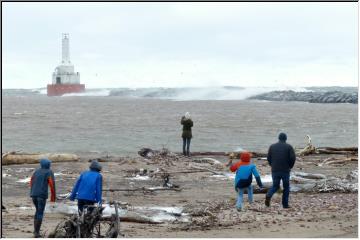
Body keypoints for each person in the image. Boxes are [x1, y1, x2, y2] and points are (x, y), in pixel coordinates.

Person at [265, 132, 296, 208]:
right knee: (286, 187)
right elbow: (293, 158)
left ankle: (269, 195)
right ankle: (285, 204)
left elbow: (268, 158)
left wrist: (272, 165)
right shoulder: (289, 147)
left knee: (275, 186)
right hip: (285, 170)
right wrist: (290, 166)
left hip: (275, 170)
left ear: (278, 138)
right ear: (285, 139)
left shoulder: (272, 147)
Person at [30, 158, 56, 238]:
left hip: (33, 194)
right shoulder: (49, 172)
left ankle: (35, 230)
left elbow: (31, 181)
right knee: (40, 212)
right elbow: (51, 184)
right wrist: (53, 197)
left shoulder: (36, 171)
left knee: (37, 211)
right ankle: (36, 233)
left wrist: (32, 191)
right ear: (48, 165)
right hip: (41, 195)